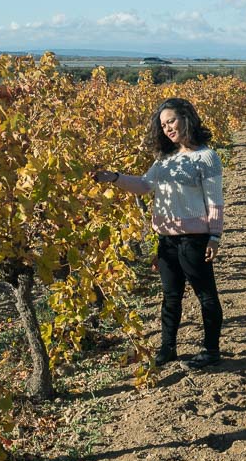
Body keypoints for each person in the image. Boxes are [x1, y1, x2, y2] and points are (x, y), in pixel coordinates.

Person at [92, 98, 224, 370]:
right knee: (170, 296)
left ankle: (211, 350)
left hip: (194, 240)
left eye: (171, 121)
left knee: (206, 295)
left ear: (187, 118)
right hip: (166, 240)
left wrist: (214, 237)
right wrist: (114, 178)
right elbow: (143, 185)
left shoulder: (206, 157)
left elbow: (215, 201)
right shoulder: (165, 159)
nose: (167, 128)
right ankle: (168, 349)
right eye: (163, 125)